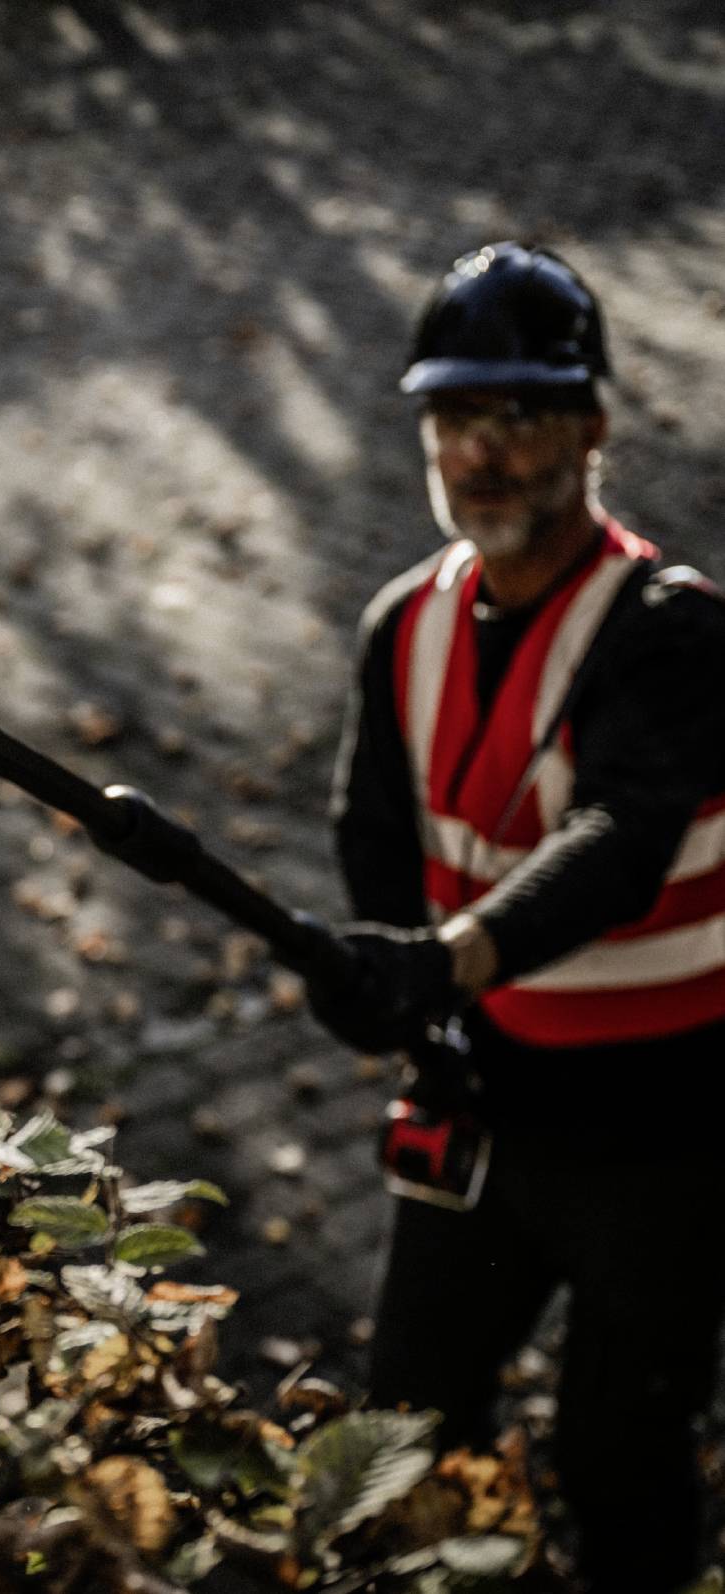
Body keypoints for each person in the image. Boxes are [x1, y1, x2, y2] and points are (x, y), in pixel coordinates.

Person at [314, 241, 725, 1592]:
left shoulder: (670, 633)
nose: (478, 453)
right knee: (404, 1430)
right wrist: (380, 972)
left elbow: (619, 841)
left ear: (594, 425)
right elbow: (373, 832)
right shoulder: (402, 626)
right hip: (487, 1107)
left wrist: (445, 960)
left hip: (663, 1135)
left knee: (620, 1450)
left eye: (517, 414)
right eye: (451, 418)